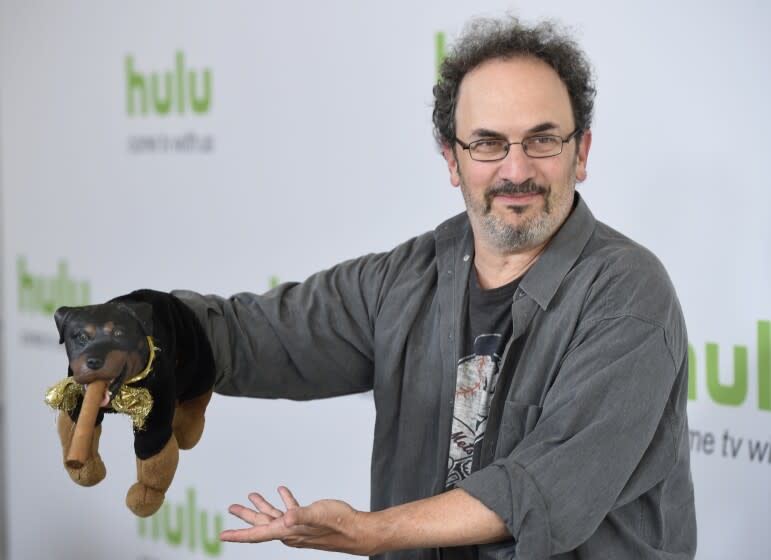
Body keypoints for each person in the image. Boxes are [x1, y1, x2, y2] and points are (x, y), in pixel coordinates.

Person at [166, 16, 696, 560]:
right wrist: (160, 332)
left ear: (580, 153)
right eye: (488, 143)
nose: (516, 169)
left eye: (542, 139)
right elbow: (260, 335)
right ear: (453, 160)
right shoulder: (409, 276)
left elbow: (544, 488)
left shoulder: (629, 294)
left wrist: (368, 532)